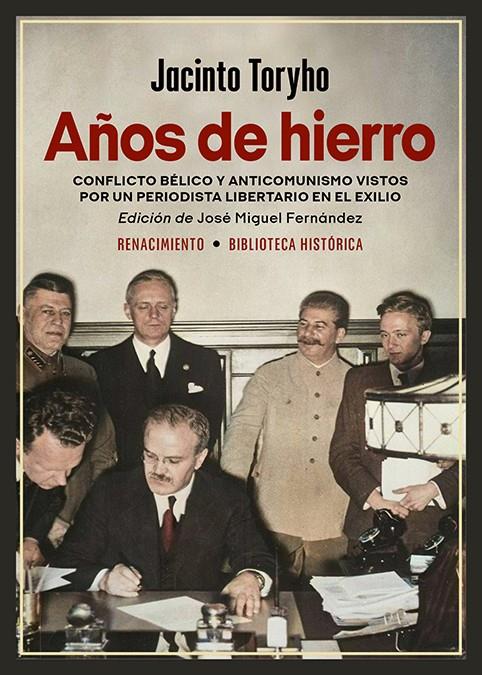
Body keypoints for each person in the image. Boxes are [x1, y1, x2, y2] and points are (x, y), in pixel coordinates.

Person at [54, 405, 274, 618]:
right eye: (150, 456)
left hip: (197, 624)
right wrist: (104, 579)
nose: (158, 470)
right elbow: (65, 563)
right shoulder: (110, 491)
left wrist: (251, 577)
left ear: (199, 459)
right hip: (124, 626)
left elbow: (258, 557)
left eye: (173, 461)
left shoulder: (226, 496)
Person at [221, 291, 352, 579]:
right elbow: (241, 434)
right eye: (303, 324)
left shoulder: (354, 381)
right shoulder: (270, 375)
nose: (307, 333)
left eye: (319, 326)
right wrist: (231, 495)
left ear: (340, 334)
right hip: (274, 517)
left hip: (333, 521)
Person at [329, 291, 459, 553]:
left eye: (401, 334)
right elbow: (341, 453)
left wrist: (435, 488)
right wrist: (375, 499)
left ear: (424, 336)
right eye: (385, 335)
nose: (391, 344)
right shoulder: (358, 381)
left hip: (434, 527)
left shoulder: (454, 382)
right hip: (370, 523)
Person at [88, 269, 225, 469]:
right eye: (144, 306)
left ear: (174, 309)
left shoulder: (205, 362)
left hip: (185, 476)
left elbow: (208, 431)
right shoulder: (100, 365)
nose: (154, 315)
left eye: (163, 306)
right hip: (122, 478)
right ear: (127, 310)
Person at [17, 272, 117, 545]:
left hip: (74, 522)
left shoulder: (83, 372)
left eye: (65, 313)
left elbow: (103, 452)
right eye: (47, 311)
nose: (58, 321)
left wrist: (75, 515)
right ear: (22, 314)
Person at [18, 382, 97, 567]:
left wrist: (31, 539)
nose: (62, 481)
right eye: (51, 469)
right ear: (18, 447)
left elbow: (47, 498)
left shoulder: (51, 465)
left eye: (69, 469)